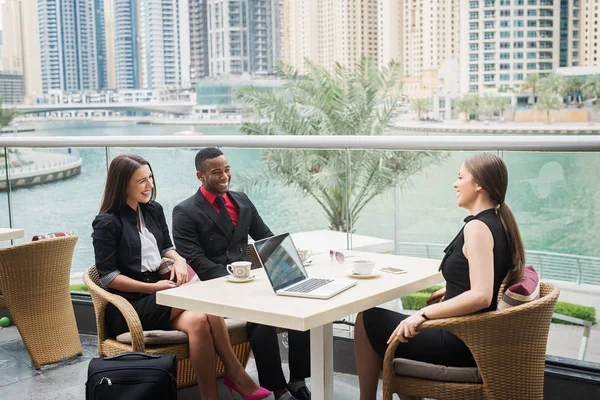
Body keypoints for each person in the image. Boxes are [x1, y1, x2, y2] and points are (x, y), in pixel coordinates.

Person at [92, 154, 270, 400]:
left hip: (161, 297)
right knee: (204, 298)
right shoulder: (106, 222)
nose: (149, 185)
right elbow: (108, 277)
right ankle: (236, 373)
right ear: (123, 184)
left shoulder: (153, 210)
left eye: (150, 177)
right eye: (140, 181)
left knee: (198, 321)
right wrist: (152, 288)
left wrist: (180, 260)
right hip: (130, 306)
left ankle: (211, 397)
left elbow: (167, 247)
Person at [354, 152, 526, 400]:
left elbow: (481, 295)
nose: (455, 184)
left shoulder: (477, 228)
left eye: (460, 177)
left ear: (479, 184)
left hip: (460, 342)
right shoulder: (498, 222)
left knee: (366, 319)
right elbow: (490, 277)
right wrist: (454, 290)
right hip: (472, 337)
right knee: (392, 328)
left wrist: (422, 314)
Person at [172, 147, 312, 400]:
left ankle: (298, 379)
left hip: (245, 285)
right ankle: (278, 390)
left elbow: (267, 239)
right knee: (259, 318)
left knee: (298, 300)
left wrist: (293, 264)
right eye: (216, 172)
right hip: (213, 290)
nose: (224, 176)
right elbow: (195, 260)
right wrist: (236, 283)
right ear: (200, 176)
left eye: (227, 170)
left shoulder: (243, 201)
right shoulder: (185, 211)